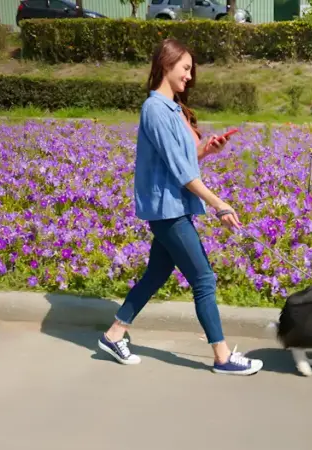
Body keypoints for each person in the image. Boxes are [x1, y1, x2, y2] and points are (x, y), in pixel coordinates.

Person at [97, 38, 263, 376]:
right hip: (167, 210)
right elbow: (182, 171)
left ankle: (114, 335)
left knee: (157, 273)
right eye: (185, 68)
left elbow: (182, 160)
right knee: (203, 279)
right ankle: (222, 357)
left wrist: (206, 151)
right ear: (166, 65)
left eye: (190, 70)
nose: (189, 76)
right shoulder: (156, 109)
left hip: (173, 207)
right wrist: (219, 204)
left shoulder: (172, 109)